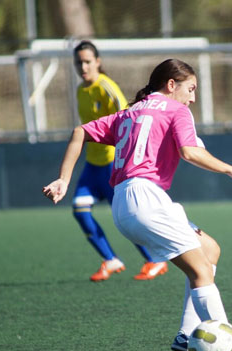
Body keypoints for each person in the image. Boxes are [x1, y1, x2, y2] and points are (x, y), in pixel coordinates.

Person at [43, 58, 232, 351]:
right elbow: (190, 152)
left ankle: (186, 334)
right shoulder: (177, 111)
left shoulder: (129, 113)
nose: (192, 98)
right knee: (202, 271)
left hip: (125, 203)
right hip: (145, 199)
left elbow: (79, 131)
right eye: (190, 89)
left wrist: (64, 179)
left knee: (210, 250)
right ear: (171, 84)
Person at [72, 40, 168, 281]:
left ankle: (154, 260)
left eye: (87, 61)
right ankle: (110, 259)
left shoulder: (107, 87)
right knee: (80, 209)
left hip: (113, 164)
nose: (83, 67)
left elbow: (129, 114)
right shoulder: (80, 90)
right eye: (79, 62)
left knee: (128, 215)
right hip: (92, 165)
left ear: (98, 62)